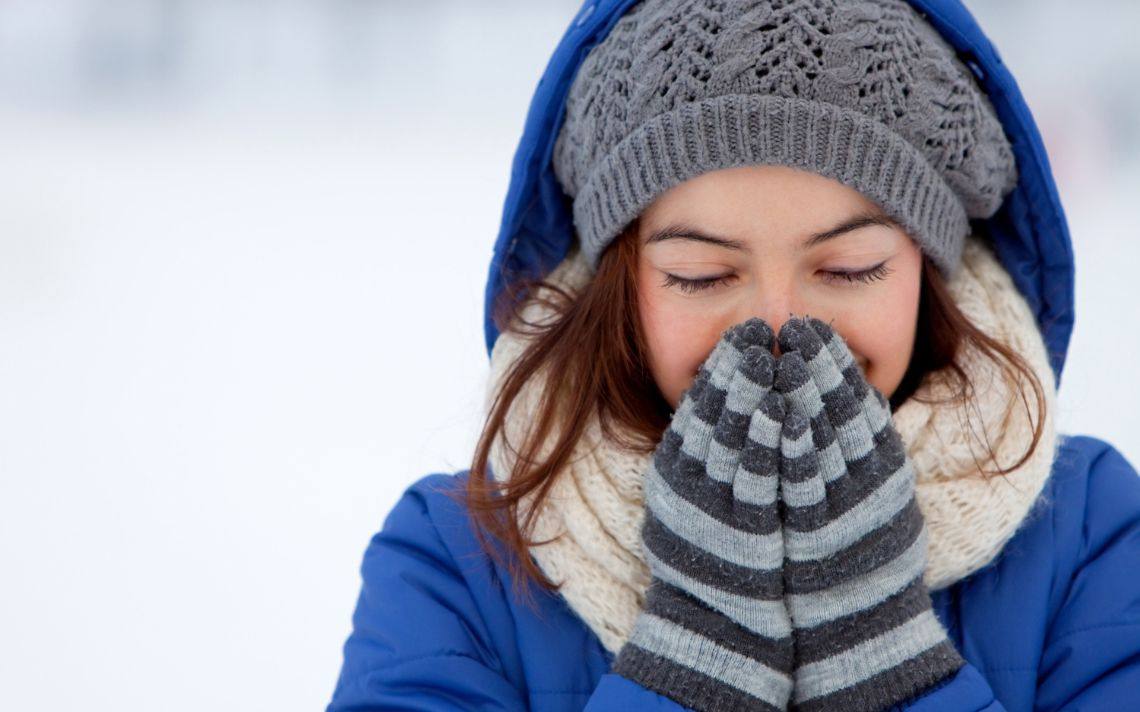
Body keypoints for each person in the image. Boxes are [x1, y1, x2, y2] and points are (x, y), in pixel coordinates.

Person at [325, 0, 1140, 709]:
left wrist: (890, 668)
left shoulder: (1090, 536)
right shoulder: (458, 564)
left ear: (927, 271)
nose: (780, 328)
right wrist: (690, 665)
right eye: (702, 275)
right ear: (623, 284)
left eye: (850, 268)